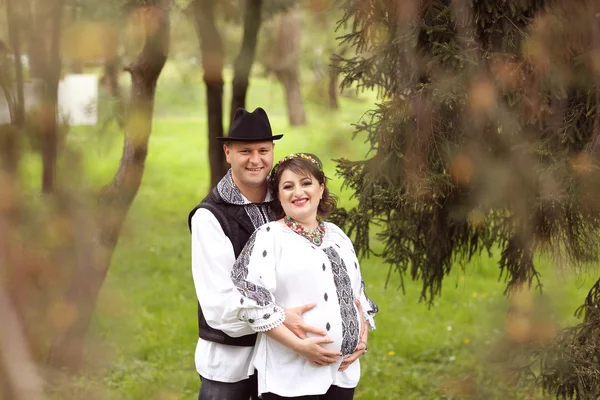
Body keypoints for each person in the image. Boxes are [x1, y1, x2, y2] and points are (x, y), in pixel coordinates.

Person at [188, 108, 332, 400]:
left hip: (287, 360)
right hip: (233, 363)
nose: (256, 160)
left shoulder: (287, 198)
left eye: (263, 150)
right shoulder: (210, 217)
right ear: (227, 152)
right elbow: (219, 306)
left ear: (272, 150)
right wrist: (280, 319)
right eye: (245, 151)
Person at [230, 153, 379, 399]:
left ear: (321, 188)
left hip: (342, 373)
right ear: (278, 195)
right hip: (290, 377)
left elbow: (358, 296)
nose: (298, 192)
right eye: (288, 186)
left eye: (306, 183)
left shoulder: (336, 235)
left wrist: (361, 340)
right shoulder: (270, 236)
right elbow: (251, 303)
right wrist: (301, 347)